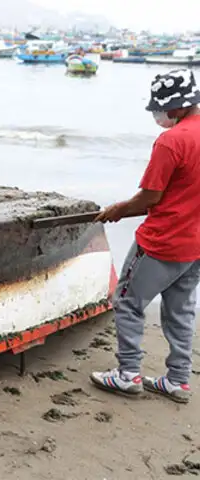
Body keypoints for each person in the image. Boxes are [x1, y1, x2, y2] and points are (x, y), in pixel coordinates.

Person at [90, 68, 200, 404]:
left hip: (162, 242)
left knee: (127, 302)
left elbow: (151, 197)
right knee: (181, 311)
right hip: (196, 244)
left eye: (160, 109)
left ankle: (127, 375)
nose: (158, 115)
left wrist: (118, 209)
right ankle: (179, 380)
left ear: (176, 108)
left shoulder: (172, 141)